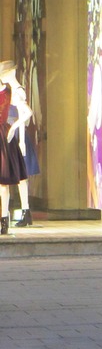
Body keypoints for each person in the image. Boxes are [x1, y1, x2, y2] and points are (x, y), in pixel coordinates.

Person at [0, 60, 38, 227]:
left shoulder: (16, 92)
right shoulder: (10, 92)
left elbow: (25, 114)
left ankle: (25, 211)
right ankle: (25, 211)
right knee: (20, 177)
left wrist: (19, 136)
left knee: (21, 176)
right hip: (11, 137)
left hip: (16, 137)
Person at [0, 75, 29, 235]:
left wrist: (14, 127)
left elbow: (27, 112)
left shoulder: (10, 93)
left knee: (3, 182)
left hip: (4, 137)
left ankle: (4, 220)